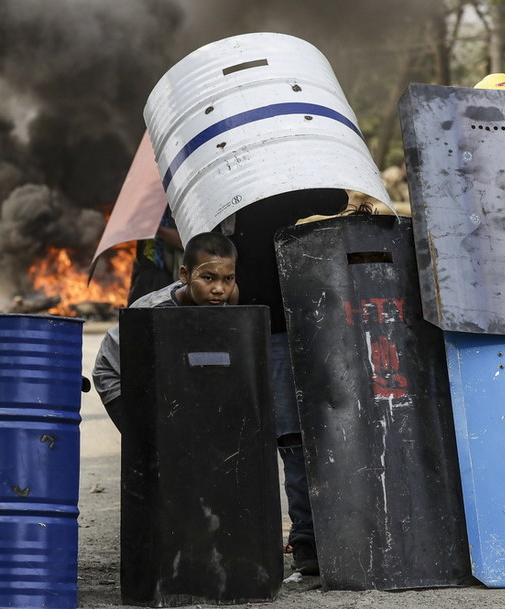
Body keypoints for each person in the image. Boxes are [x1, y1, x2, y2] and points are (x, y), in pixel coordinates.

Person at [225, 188, 349, 576]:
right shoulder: (201, 190)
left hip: (284, 327)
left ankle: (308, 538)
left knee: (295, 437)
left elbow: (335, 199)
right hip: (226, 329)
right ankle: (242, 538)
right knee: (235, 439)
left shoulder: (269, 186)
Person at [92, 231, 237, 431]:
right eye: (208, 278)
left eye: (228, 279)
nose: (219, 289)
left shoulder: (223, 298)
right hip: (119, 374)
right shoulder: (154, 311)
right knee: (153, 444)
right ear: (185, 275)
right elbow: (155, 374)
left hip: (165, 369)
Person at [127, 206, 183, 305]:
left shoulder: (178, 206)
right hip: (145, 273)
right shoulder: (147, 206)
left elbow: (184, 240)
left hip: (169, 277)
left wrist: (155, 227)